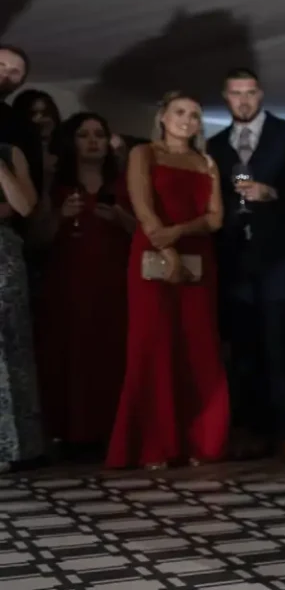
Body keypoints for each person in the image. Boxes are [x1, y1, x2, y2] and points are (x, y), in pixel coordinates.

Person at [207, 69, 285, 466]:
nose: (243, 100)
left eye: (249, 93)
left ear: (260, 95)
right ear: (225, 98)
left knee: (280, 341)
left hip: (280, 255)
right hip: (235, 258)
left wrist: (273, 191)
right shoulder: (214, 145)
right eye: (235, 94)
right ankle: (255, 432)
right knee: (245, 348)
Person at [108, 94, 228, 469]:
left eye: (195, 115)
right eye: (180, 112)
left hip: (197, 258)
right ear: (162, 117)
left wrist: (180, 232)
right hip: (151, 254)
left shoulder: (207, 162)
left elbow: (215, 219)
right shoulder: (143, 153)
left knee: (198, 345)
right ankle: (153, 445)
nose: (187, 120)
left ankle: (199, 441)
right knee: (153, 344)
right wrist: (167, 246)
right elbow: (142, 205)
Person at [37, 113, 134, 454]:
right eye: (84, 134)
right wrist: (60, 216)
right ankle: (75, 435)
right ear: (72, 141)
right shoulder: (55, 183)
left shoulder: (123, 181)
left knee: (114, 351)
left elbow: (146, 233)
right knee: (72, 354)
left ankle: (116, 431)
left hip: (115, 279)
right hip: (69, 280)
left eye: (99, 134)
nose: (93, 141)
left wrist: (122, 218)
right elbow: (39, 238)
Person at [0, 102, 42, 467]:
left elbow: (25, 206)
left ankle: (16, 447)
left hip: (4, 257)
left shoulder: (9, 153)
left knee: (11, 347)